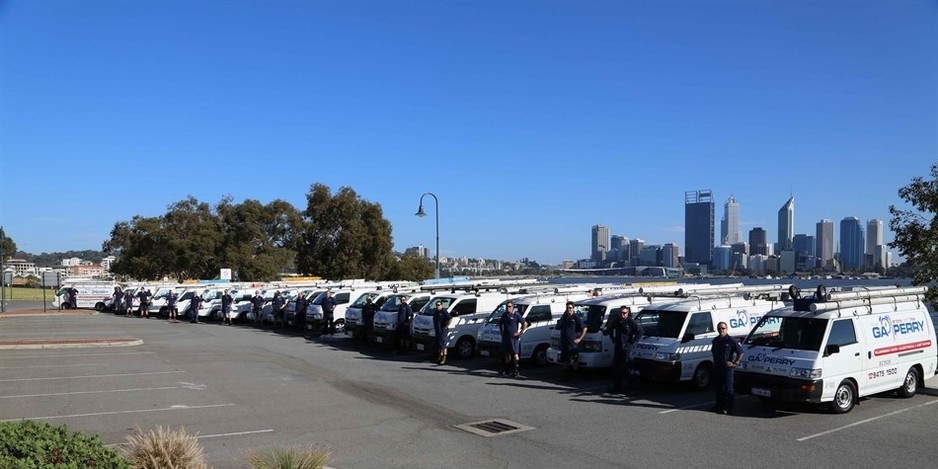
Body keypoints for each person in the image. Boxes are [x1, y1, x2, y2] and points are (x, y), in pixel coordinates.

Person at [607, 306, 643, 395]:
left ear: (628, 313)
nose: (622, 315)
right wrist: (613, 339)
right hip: (618, 348)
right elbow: (610, 329)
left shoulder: (631, 322)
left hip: (627, 348)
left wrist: (633, 342)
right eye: (621, 313)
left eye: (624, 313)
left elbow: (640, 331)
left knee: (629, 369)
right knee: (616, 369)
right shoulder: (617, 321)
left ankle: (632, 389)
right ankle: (616, 388)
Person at [711, 321, 744, 415]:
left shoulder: (731, 341)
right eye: (719, 328)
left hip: (727, 369)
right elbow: (713, 352)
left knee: (728, 389)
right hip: (717, 368)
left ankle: (728, 407)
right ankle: (718, 406)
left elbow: (740, 352)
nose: (721, 330)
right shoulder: (715, 340)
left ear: (726, 329)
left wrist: (735, 363)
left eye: (723, 328)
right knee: (718, 388)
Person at [557, 301, 586, 380]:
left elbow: (584, 328)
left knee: (574, 361)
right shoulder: (564, 317)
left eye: (570, 308)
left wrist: (579, 339)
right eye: (567, 308)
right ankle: (565, 377)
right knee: (565, 361)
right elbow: (559, 327)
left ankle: (575, 377)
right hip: (564, 343)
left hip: (572, 344)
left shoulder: (575, 317)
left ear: (573, 309)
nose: (568, 309)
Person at [498, 301, 526, 377]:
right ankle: (507, 370)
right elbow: (500, 323)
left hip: (514, 338)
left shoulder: (516, 315)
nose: (508, 308)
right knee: (506, 353)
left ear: (512, 307)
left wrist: (520, 333)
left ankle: (516, 370)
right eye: (507, 306)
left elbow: (525, 323)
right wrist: (501, 332)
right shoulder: (504, 315)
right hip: (506, 338)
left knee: (515, 354)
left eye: (509, 306)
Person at [432, 300, 452, 365]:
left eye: (439, 305)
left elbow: (450, 318)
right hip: (437, 330)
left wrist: (446, 326)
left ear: (441, 305)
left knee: (443, 345)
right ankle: (439, 358)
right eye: (436, 305)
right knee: (439, 345)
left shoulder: (444, 312)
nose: (437, 306)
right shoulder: (436, 312)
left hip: (443, 330)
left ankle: (444, 359)